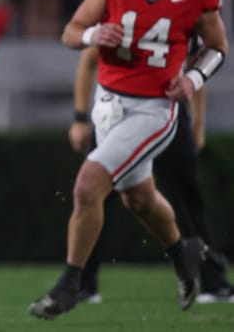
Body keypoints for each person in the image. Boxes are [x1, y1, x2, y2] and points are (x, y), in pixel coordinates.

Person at [28, 0, 229, 319]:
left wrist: (192, 80)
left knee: (87, 185)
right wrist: (93, 35)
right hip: (108, 104)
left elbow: (217, 49)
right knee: (138, 199)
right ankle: (183, 251)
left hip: (154, 109)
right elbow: (70, 32)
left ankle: (71, 284)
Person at [70, 44, 234, 304]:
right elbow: (88, 58)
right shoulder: (122, 10)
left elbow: (197, 70)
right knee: (97, 195)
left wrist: (198, 123)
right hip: (117, 113)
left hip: (167, 112)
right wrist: (79, 117)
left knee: (187, 198)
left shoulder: (182, 10)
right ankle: (82, 283)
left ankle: (214, 281)